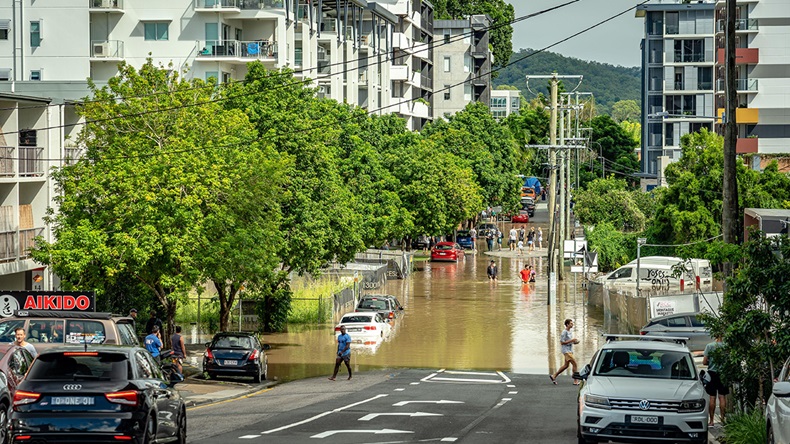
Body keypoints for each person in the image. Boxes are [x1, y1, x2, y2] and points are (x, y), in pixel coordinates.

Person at [703, 335, 729, 426]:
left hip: (712, 373)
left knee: (712, 397)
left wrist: (711, 362)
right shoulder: (726, 346)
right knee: (722, 397)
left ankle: (711, 420)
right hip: (723, 373)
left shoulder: (709, 346)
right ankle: (722, 419)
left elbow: (704, 362)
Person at [550, 319, 580, 385]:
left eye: (572, 323)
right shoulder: (564, 332)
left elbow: (569, 341)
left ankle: (554, 376)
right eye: (571, 323)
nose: (572, 324)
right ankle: (575, 381)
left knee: (566, 365)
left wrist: (574, 342)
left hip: (570, 350)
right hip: (566, 351)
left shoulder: (570, 331)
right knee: (575, 364)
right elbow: (562, 342)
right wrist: (572, 340)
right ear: (567, 324)